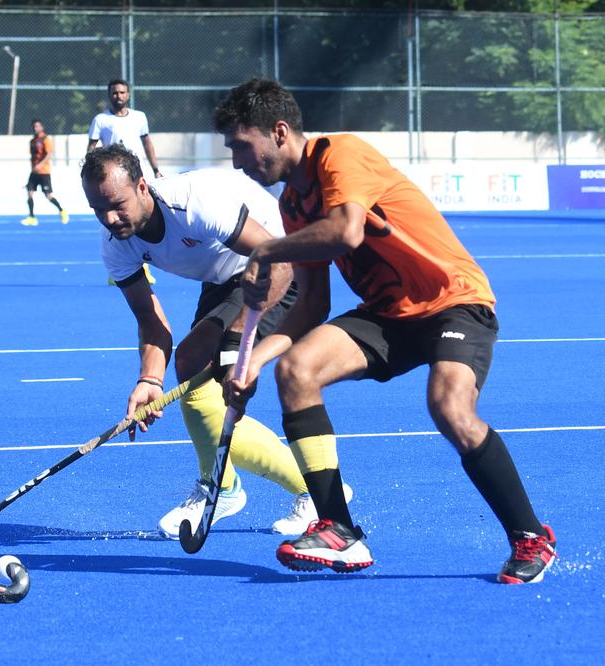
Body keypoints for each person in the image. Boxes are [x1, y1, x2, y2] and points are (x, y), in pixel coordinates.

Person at [215, 78, 555, 584]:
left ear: (279, 132)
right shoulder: (293, 206)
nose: (239, 162)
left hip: (454, 301)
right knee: (297, 370)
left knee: (449, 407)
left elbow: (347, 229)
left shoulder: (341, 155)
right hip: (390, 315)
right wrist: (253, 361)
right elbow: (312, 306)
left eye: (242, 146)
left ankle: (530, 536)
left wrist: (265, 251)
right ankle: (338, 529)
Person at [81, 144, 352, 538]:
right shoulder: (115, 244)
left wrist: (236, 339)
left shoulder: (194, 205)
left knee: (198, 359)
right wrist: (149, 381)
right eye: (97, 209)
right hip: (227, 277)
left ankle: (249, 488)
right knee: (191, 364)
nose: (109, 218)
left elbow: (276, 261)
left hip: (282, 264)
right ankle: (231, 488)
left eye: (116, 204)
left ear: (142, 187)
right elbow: (152, 324)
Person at [88, 79, 161, 285]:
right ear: (109, 95)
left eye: (122, 92)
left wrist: (156, 168)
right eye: (114, 93)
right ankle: (118, 267)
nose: (118, 96)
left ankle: (142, 266)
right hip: (113, 182)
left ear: (128, 94)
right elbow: (91, 148)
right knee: (113, 221)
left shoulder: (139, 117)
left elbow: (147, 143)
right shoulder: (101, 120)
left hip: (135, 177)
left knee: (139, 219)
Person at [21, 119, 69, 226]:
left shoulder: (45, 139)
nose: (35, 128)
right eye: (34, 126)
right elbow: (33, 157)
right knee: (29, 193)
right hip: (34, 173)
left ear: (42, 127)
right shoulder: (32, 141)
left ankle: (62, 211)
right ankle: (32, 217)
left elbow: (49, 154)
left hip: (44, 172)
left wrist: (41, 165)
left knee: (48, 195)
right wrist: (33, 169)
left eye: (37, 126)